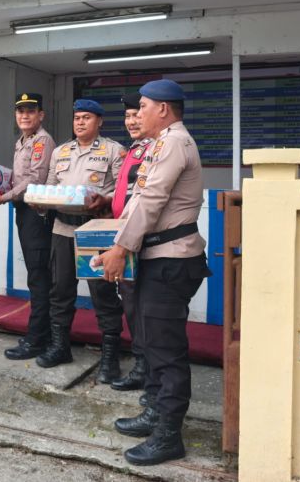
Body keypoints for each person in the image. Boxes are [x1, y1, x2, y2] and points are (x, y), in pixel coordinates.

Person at [94, 79, 211, 466]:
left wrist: (120, 248)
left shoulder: (174, 142)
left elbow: (154, 199)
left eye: (142, 106)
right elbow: (139, 199)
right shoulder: (162, 143)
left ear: (163, 108)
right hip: (157, 257)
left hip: (171, 260)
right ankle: (156, 413)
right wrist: (116, 243)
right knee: (149, 340)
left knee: (165, 350)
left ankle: (168, 435)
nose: (137, 113)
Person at [35, 99, 126, 384]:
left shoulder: (114, 151)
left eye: (87, 118)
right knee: (60, 291)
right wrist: (40, 199)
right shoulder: (61, 151)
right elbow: (50, 187)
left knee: (103, 294)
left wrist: (107, 201)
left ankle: (110, 355)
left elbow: (124, 193)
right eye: (77, 118)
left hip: (96, 230)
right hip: (62, 229)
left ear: (99, 121)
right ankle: (60, 347)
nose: (80, 123)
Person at [0, 93, 56, 360]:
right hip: (25, 212)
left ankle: (37, 339)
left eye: (30, 111)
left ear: (41, 115)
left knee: (39, 278)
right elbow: (18, 178)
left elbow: (35, 179)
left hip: (37, 215)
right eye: (20, 111)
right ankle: (44, 334)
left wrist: (3, 196)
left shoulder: (41, 141)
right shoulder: (23, 141)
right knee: (36, 276)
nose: (25, 115)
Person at [110, 93, 154, 396]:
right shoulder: (134, 150)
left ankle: (149, 372)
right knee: (131, 305)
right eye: (127, 116)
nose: (131, 121)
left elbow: (149, 201)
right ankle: (142, 367)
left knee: (144, 309)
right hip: (123, 237)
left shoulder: (157, 150)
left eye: (137, 114)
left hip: (143, 242)